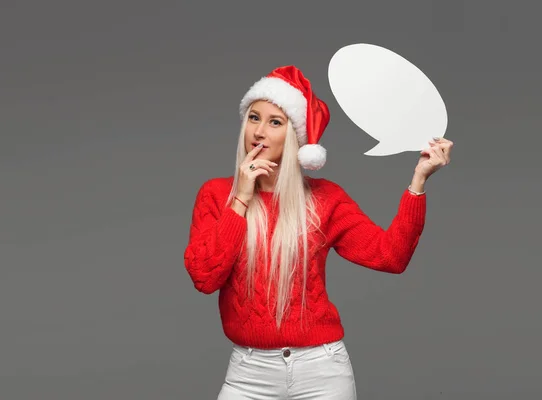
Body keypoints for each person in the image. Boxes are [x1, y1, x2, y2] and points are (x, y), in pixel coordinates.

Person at [184, 65, 453, 399]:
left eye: (275, 122)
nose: (260, 131)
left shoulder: (324, 199)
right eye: (254, 118)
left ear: (295, 135)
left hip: (322, 372)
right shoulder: (216, 195)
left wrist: (418, 181)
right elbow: (204, 277)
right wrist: (241, 197)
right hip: (248, 373)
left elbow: (391, 256)